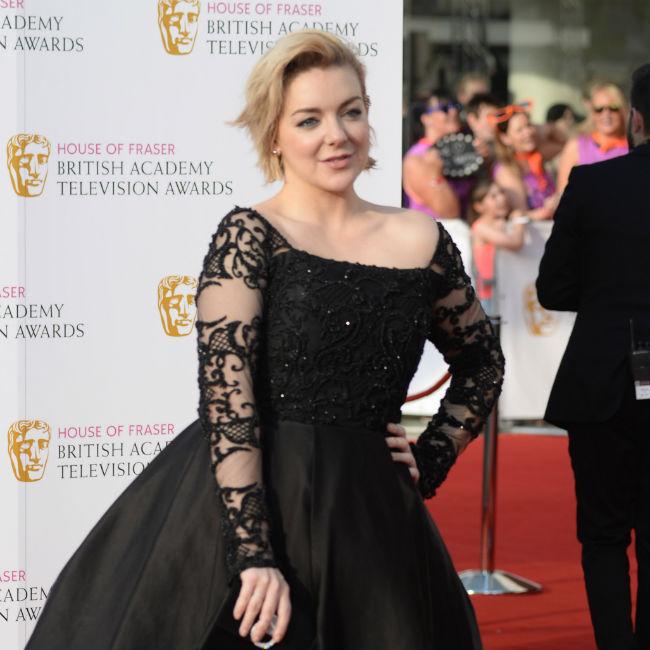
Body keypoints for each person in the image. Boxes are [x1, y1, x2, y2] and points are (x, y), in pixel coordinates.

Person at [26, 31, 504, 650]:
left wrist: (431, 454)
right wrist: (252, 555)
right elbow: (229, 403)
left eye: (350, 112)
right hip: (253, 500)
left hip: (372, 515)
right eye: (309, 120)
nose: (337, 135)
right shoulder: (250, 236)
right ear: (274, 135)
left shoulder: (421, 240)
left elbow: (481, 362)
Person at [536, 63, 650, 650]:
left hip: (603, 376)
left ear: (636, 120)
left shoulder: (592, 183)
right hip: (613, 379)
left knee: (604, 536)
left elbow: (553, 289)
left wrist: (608, 298)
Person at [556, 81, 629, 193]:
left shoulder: (635, 147)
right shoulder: (576, 146)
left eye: (613, 108)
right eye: (599, 109)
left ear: (622, 110)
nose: (606, 114)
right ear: (592, 114)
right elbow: (562, 194)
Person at [467, 178, 526, 315]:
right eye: (493, 196)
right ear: (479, 206)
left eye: (501, 193)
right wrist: (519, 222)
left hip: (508, 293)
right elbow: (516, 243)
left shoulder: (502, 222)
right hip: (489, 297)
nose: (502, 199)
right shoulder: (480, 228)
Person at [492, 103, 557, 220]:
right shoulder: (506, 170)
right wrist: (548, 210)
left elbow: (566, 142)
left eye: (529, 125)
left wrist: (545, 128)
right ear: (505, 138)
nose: (528, 132)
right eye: (520, 130)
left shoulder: (538, 156)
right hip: (535, 229)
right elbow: (520, 214)